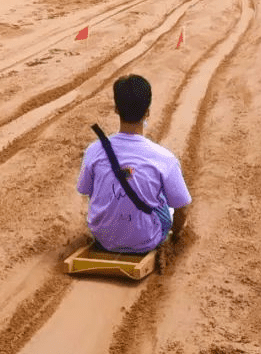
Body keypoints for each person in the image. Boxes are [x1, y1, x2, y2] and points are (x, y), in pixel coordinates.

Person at [77, 75, 191, 254]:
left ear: (116, 109)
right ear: (147, 112)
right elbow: (182, 208)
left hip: (104, 238)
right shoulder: (163, 158)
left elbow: (85, 190)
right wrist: (175, 235)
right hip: (145, 240)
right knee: (165, 203)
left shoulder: (94, 150)